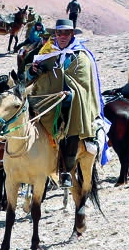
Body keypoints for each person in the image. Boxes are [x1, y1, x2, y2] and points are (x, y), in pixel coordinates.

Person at [27, 19, 103, 187]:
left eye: (66, 33)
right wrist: (33, 72)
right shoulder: (48, 53)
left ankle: (66, 170)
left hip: (71, 99)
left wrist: (69, 90)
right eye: (59, 33)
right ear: (55, 34)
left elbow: (83, 83)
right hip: (48, 97)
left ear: (71, 35)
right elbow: (33, 75)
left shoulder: (80, 56)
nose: (62, 36)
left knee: (71, 119)